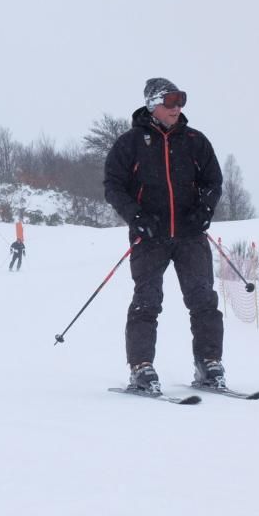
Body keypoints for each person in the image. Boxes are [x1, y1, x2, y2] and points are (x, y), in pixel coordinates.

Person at [103, 78, 225, 394]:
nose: (177, 107)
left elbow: (213, 181)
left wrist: (204, 211)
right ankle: (141, 368)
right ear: (153, 104)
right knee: (147, 301)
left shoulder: (195, 141)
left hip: (190, 236)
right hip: (150, 237)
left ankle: (209, 364)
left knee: (204, 300)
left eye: (181, 100)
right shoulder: (129, 144)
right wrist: (137, 216)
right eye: (170, 101)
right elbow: (113, 186)